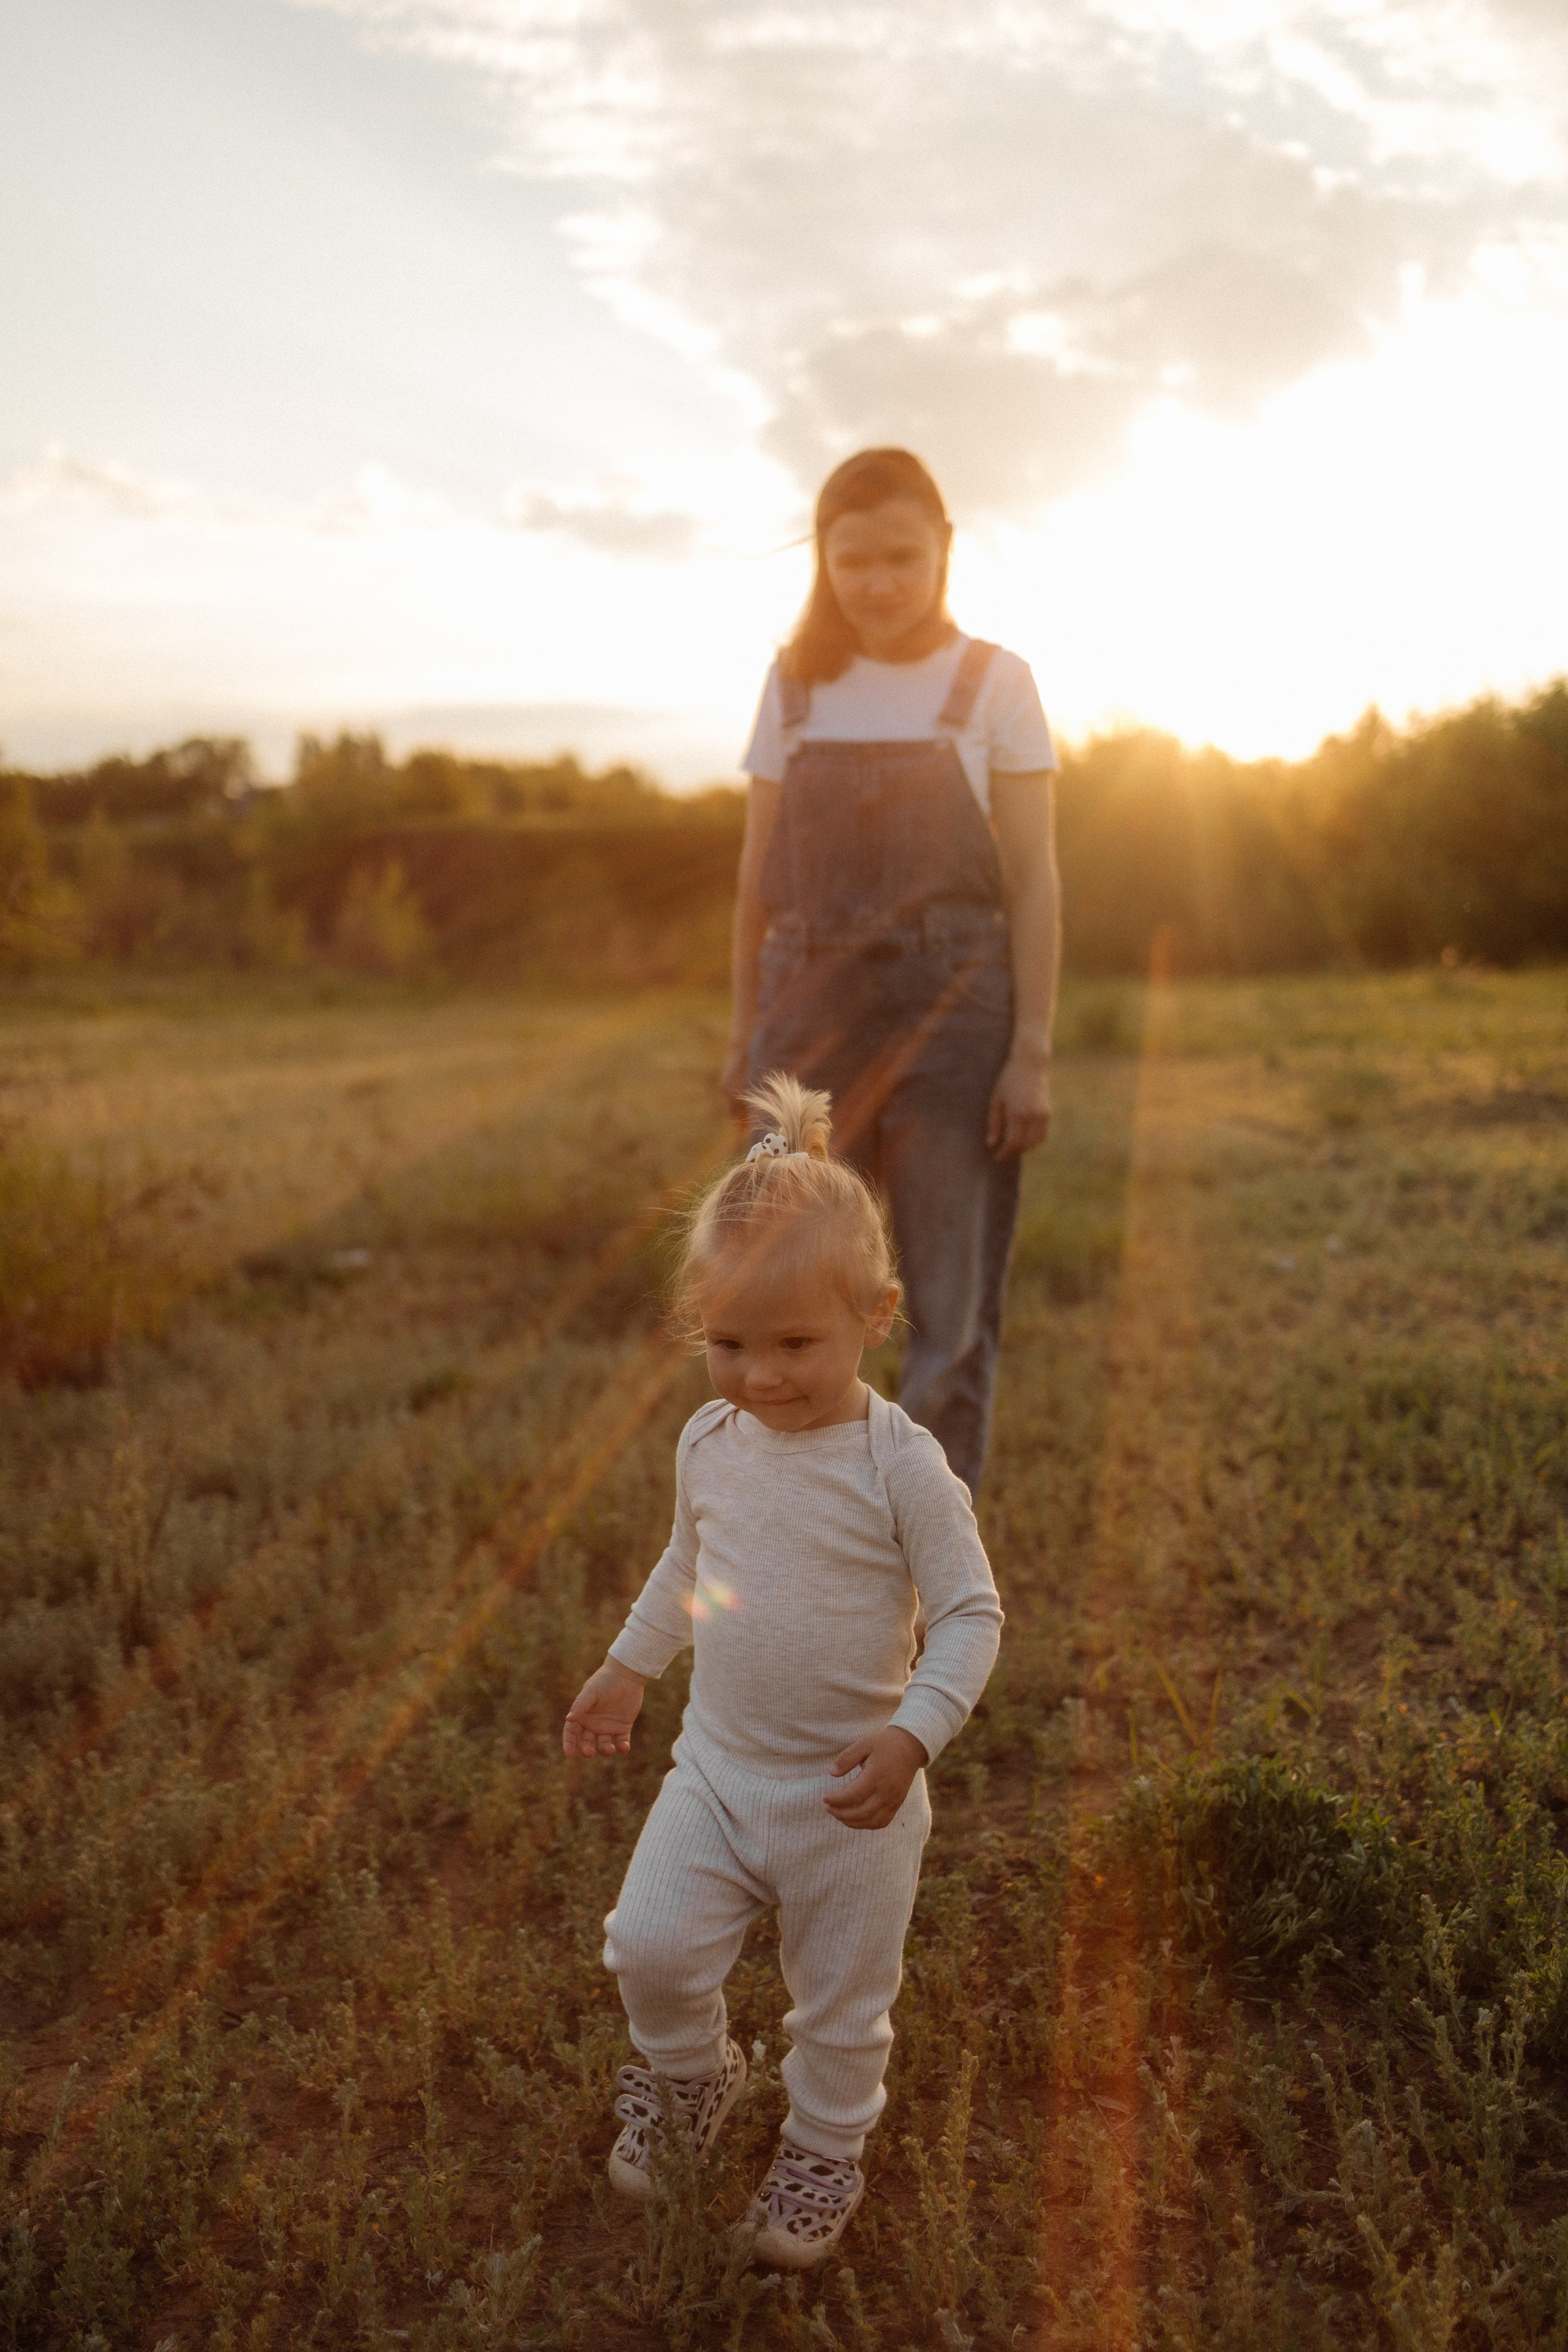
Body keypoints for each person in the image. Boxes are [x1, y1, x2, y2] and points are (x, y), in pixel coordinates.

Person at [561, 1074, 1003, 2271]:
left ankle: (821, 2148)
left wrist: (912, 1734)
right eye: (729, 1344)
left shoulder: (900, 1468)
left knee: (840, 2004)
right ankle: (693, 2077)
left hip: (845, 1797)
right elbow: (690, 1571)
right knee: (647, 1946)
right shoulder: (708, 1441)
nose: (760, 1377)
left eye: (795, 1344)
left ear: (877, 1314)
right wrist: (626, 1667)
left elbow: (969, 1615)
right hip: (715, 1768)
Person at [724, 447, 1060, 1499]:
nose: (876, 581)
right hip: (806, 1015)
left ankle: (924, 1571)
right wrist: (746, 1033)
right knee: (785, 1284)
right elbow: (755, 879)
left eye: (901, 557)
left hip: (958, 1012)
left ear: (945, 551)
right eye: (853, 557)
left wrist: (1031, 1052)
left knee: (945, 1310)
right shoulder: (796, 684)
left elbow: (1036, 878)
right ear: (823, 557)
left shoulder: (995, 682)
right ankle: (801, 1534)